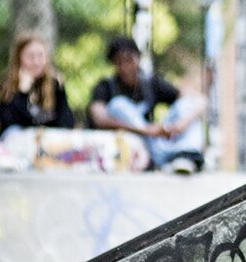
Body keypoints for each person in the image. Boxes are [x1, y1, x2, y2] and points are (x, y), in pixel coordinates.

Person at [87, 36, 206, 173]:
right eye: (120, 62)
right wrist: (145, 129)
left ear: (138, 59)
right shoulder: (106, 86)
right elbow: (99, 118)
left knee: (186, 105)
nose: (125, 67)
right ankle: (162, 159)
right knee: (118, 105)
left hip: (156, 144)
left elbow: (199, 101)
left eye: (129, 60)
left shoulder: (150, 83)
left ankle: (185, 156)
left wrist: (182, 123)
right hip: (133, 146)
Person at [0, 32, 75, 136]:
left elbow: (67, 121)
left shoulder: (55, 83)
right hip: (18, 142)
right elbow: (8, 123)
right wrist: (23, 92)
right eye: (30, 56)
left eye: (40, 55)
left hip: (48, 140)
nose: (36, 62)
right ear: (19, 59)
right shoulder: (7, 83)